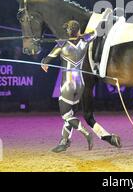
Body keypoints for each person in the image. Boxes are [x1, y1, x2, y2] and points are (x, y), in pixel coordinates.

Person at [41, 20, 97, 153]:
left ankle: (86, 133)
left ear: (68, 31)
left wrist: (43, 63)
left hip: (68, 84)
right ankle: (64, 142)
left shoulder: (62, 44)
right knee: (71, 115)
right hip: (80, 84)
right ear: (78, 31)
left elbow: (46, 60)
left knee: (66, 116)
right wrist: (83, 35)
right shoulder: (85, 40)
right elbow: (95, 33)